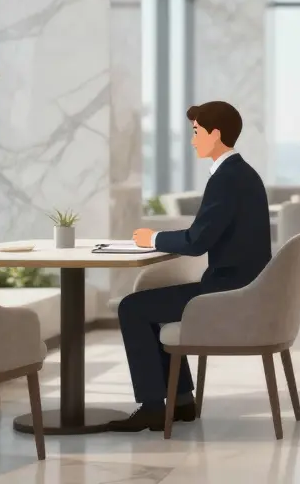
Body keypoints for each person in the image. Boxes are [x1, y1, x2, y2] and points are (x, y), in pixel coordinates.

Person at [109, 101, 272, 432]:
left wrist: (151, 239)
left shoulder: (227, 178)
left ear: (215, 134)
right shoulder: (243, 174)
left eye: (196, 132)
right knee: (152, 302)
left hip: (228, 293)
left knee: (131, 308)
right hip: (245, 289)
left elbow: (198, 241)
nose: (193, 140)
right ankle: (180, 400)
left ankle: (154, 406)